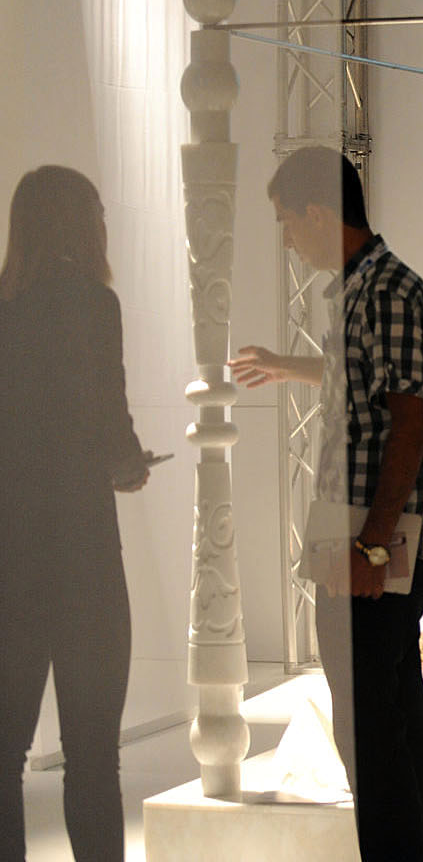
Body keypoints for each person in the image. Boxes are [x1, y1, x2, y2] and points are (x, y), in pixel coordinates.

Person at [228, 147, 423, 862]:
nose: (288, 240)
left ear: (319, 213)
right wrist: (284, 365)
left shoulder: (386, 290)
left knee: (376, 736)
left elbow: (409, 425)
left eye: (288, 223)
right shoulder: (359, 291)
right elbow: (357, 377)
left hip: (372, 551)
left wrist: (372, 547)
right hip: (355, 546)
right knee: (383, 726)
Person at [0, 166, 153, 862]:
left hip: (11, 559)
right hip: (84, 555)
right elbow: (109, 421)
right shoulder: (94, 304)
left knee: (4, 752)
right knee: (93, 756)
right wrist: (129, 463)